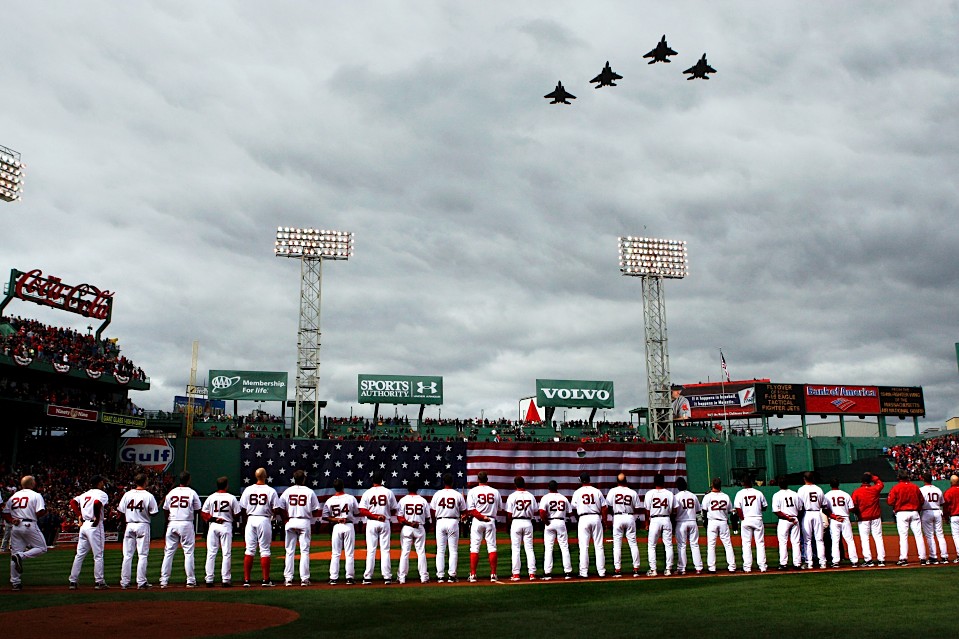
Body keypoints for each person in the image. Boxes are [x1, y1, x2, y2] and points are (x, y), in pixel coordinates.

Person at [2, 475, 48, 591]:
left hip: (16, 526)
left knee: (15, 553)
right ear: (32, 484)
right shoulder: (36, 495)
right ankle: (21, 556)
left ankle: (15, 583)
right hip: (29, 524)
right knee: (42, 548)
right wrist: (31, 516)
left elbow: (5, 512)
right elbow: (41, 511)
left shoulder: (14, 496)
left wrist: (13, 520)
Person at [159, 470, 202, 589]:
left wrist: (168, 521)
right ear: (188, 480)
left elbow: (165, 508)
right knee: (188, 552)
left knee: (168, 553)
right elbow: (198, 509)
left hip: (172, 523)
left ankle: (164, 581)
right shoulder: (192, 492)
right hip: (186, 523)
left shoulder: (172, 492)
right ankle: (190, 580)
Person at [239, 467, 281, 587]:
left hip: (251, 518)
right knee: (265, 550)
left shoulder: (248, 490)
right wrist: (273, 514)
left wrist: (243, 523)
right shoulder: (270, 490)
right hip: (264, 519)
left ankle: (247, 580)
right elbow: (276, 508)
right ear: (265, 476)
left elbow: (243, 508)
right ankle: (266, 580)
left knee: (249, 550)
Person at [279, 469, 321, 587]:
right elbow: (315, 509)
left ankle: (288, 579)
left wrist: (285, 519)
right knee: (304, 551)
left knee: (289, 551)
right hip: (304, 521)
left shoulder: (288, 491)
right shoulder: (309, 491)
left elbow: (280, 506)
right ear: (304, 479)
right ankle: (304, 579)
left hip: (291, 520)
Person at [117, 473, 158, 590]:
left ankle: (124, 582)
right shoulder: (148, 495)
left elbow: (121, 510)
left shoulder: (127, 494)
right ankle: (141, 582)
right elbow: (154, 512)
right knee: (143, 555)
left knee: (127, 555)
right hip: (142, 525)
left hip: (129, 525)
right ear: (145, 482)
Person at [68, 474, 110, 590]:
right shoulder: (102, 494)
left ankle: (73, 581)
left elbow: (72, 502)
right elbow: (97, 503)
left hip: (84, 526)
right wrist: (96, 517)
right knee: (98, 555)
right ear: (100, 483)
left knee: (79, 555)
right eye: (102, 482)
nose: (104, 484)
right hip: (94, 526)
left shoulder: (85, 494)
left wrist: (80, 515)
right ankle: (99, 582)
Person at [200, 476, 241, 587]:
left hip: (213, 525)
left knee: (211, 553)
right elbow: (237, 514)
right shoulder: (231, 497)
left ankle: (209, 579)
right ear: (226, 485)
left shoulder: (211, 497)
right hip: (226, 525)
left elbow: (203, 513)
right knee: (226, 553)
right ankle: (225, 580)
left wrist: (214, 518)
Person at [358, 470, 397, 585]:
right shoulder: (388, 492)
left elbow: (362, 510)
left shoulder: (367, 493)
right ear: (381, 480)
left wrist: (375, 516)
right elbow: (394, 509)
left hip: (372, 522)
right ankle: (387, 577)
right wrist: (384, 512)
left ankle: (368, 577)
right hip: (384, 522)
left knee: (371, 550)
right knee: (385, 550)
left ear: (372, 480)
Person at [429, 472, 467, 583]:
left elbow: (433, 510)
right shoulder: (457, 494)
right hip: (453, 521)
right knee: (453, 550)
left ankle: (440, 576)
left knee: (440, 551)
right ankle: (452, 576)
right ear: (452, 482)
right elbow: (464, 511)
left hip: (440, 521)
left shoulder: (437, 494)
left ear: (443, 482)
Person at [466, 471, 502, 582]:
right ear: (487, 479)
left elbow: (471, 510)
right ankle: (493, 574)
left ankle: (473, 575)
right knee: (492, 547)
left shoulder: (473, 491)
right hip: (490, 520)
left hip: (477, 521)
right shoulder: (495, 492)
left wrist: (481, 517)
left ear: (478, 480)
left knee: (474, 547)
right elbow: (500, 508)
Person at [572, 472, 608, 579]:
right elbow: (604, 507)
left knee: (584, 547)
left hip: (583, 518)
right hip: (596, 517)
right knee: (599, 546)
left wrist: (578, 518)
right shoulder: (597, 491)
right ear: (589, 480)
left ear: (580, 481)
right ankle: (601, 572)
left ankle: (583, 572)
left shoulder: (577, 492)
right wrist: (604, 521)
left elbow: (573, 508)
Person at [324, 478, 359, 585]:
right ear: (343, 486)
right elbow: (357, 512)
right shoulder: (350, 498)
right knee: (349, 553)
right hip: (348, 525)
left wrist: (336, 519)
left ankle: (333, 578)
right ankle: (349, 578)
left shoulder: (329, 500)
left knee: (335, 553)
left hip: (337, 526)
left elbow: (325, 517)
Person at [887, 472, 926, 566]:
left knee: (903, 536)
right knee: (919, 535)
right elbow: (922, 500)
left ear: (899, 477)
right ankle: (923, 558)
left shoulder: (896, 487)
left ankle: (903, 558)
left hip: (902, 513)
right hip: (914, 512)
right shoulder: (915, 487)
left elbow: (890, 501)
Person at [606, 473, 641, 578]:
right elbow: (637, 507)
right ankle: (636, 569)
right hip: (629, 516)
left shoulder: (613, 491)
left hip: (618, 517)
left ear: (617, 481)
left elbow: (608, 506)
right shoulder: (632, 492)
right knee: (633, 543)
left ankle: (618, 570)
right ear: (626, 480)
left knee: (617, 545)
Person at [396, 481, 431, 584]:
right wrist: (426, 530)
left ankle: (401, 578)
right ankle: (424, 577)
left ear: (408, 488)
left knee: (405, 552)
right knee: (421, 552)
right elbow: (428, 518)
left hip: (407, 527)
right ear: (417, 489)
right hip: (419, 527)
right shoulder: (423, 500)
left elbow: (399, 517)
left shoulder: (403, 500)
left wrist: (409, 523)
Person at [538, 480, 573, 580]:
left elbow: (541, 512)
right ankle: (568, 572)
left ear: (548, 488)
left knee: (549, 548)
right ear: (557, 487)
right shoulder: (563, 498)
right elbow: (570, 513)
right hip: (561, 521)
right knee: (564, 547)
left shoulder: (545, 497)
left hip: (550, 522)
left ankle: (548, 573)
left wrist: (546, 522)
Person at [700, 477, 736, 573]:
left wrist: (704, 522)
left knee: (711, 545)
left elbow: (704, 510)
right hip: (723, 521)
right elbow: (730, 510)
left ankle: (712, 568)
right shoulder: (726, 496)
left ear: (712, 485)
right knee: (728, 545)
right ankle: (732, 567)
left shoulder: (708, 497)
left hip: (712, 522)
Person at [505, 476, 537, 581]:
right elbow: (535, 510)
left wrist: (509, 523)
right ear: (524, 484)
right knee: (529, 548)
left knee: (516, 549)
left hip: (516, 521)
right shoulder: (531, 496)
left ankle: (516, 574)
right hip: (527, 521)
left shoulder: (512, 496)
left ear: (515, 484)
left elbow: (509, 514)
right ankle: (532, 574)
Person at [851, 472, 885, 567]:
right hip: (875, 517)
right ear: (870, 481)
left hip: (863, 518)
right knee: (878, 538)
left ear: (861, 481)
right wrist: (873, 477)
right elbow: (881, 484)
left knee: (864, 539)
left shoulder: (857, 491)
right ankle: (881, 560)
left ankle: (868, 560)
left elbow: (853, 506)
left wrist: (856, 512)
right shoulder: (874, 489)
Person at [643, 472, 675, 577]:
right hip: (666, 518)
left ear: (654, 482)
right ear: (664, 481)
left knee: (652, 545)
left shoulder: (649, 493)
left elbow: (647, 510)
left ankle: (653, 569)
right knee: (668, 545)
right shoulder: (669, 493)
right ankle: (668, 569)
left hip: (655, 520)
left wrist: (647, 523)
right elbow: (674, 509)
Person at [734, 476, 768, 573]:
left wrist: (742, 518)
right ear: (752, 483)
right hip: (757, 518)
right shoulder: (758, 493)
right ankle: (762, 566)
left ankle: (747, 567)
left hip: (746, 519)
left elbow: (738, 508)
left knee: (746, 544)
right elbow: (764, 507)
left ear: (743, 483)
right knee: (760, 543)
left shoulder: (740, 493)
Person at [823, 479, 858, 568]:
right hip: (845, 518)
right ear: (838, 484)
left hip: (834, 519)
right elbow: (852, 508)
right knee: (849, 540)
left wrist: (834, 516)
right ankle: (854, 561)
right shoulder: (845, 494)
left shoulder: (827, 495)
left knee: (835, 541)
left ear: (830, 485)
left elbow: (824, 509)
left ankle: (835, 561)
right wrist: (844, 512)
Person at [672, 476, 703, 575]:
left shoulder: (676, 496)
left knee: (681, 546)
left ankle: (682, 568)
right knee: (694, 545)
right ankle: (698, 567)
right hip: (692, 521)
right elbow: (698, 510)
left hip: (681, 522)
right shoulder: (693, 495)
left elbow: (674, 511)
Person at [797, 471, 826, 570]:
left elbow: (799, 506)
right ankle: (823, 563)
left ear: (804, 479)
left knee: (807, 540)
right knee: (819, 539)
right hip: (817, 513)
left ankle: (809, 563)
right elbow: (824, 504)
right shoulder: (819, 489)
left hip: (807, 513)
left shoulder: (801, 490)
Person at [771, 477, 801, 570]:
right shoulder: (795, 494)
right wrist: (793, 518)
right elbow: (800, 508)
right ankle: (797, 564)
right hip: (794, 519)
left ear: (779, 485)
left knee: (783, 542)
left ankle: (783, 564)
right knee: (796, 542)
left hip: (784, 520)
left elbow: (776, 511)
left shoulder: (777, 495)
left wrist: (787, 517)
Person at [919, 473, 949, 564]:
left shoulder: (921, 490)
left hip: (927, 511)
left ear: (923, 479)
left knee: (930, 535)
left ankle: (933, 557)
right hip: (937, 510)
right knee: (940, 534)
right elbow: (942, 502)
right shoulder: (938, 489)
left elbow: (919, 502)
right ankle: (944, 557)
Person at [943, 475, 959, 564]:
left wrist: (946, 517)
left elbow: (946, 506)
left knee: (956, 536)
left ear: (951, 482)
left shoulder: (948, 492)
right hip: (955, 515)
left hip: (955, 516)